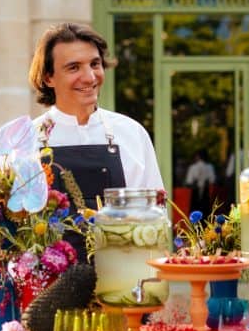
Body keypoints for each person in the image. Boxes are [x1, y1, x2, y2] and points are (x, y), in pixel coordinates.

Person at [14, 22, 163, 210]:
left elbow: (156, 213)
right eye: (74, 67)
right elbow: (8, 223)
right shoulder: (23, 142)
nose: (90, 77)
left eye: (95, 64)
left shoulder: (132, 133)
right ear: (48, 78)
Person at [185, 149, 216, 217]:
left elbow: (189, 181)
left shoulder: (193, 167)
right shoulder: (209, 167)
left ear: (197, 157)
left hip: (197, 192)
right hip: (204, 192)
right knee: (206, 213)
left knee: (194, 212)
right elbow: (212, 180)